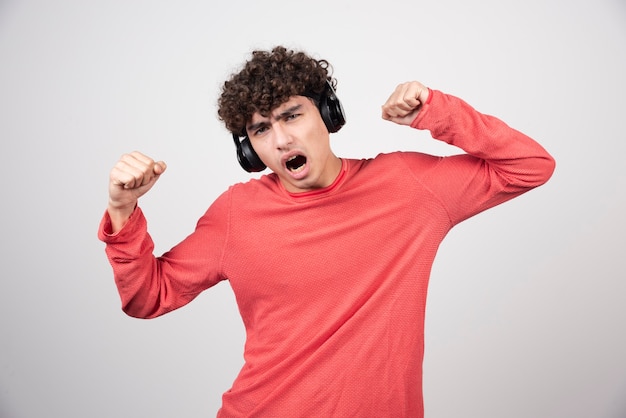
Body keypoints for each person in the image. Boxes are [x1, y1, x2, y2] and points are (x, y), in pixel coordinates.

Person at [98, 45, 555, 417]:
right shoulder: (237, 212)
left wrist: (436, 111)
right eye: (260, 129)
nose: (280, 140)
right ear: (249, 147)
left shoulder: (408, 187)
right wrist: (123, 209)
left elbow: (530, 166)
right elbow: (147, 297)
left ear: (327, 116)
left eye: (291, 116)